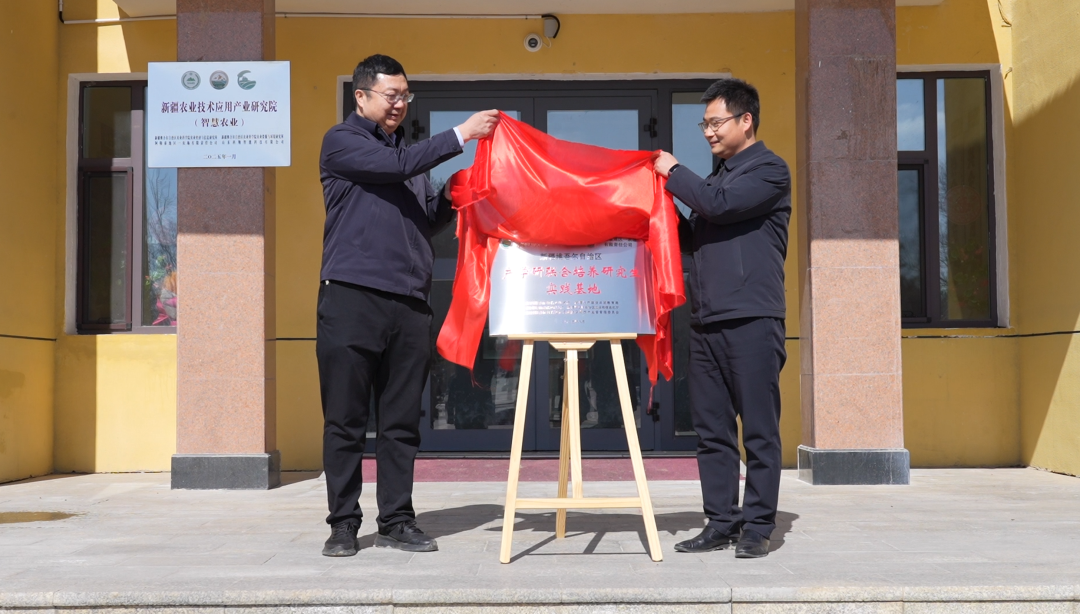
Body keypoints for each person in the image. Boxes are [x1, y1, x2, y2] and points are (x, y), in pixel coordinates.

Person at [317, 54, 499, 557]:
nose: (399, 104)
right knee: (346, 420)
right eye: (391, 95)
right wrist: (462, 134)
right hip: (352, 297)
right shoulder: (343, 142)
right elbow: (395, 167)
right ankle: (343, 524)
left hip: (409, 304)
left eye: (405, 96)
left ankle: (397, 519)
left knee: (401, 423)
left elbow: (424, 218)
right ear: (361, 97)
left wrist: (460, 191)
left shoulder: (408, 160)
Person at [653, 78, 791, 559]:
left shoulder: (769, 171)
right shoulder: (714, 179)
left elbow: (719, 207)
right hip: (707, 321)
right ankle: (721, 521)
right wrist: (660, 203)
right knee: (712, 432)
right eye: (705, 125)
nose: (709, 132)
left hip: (753, 318)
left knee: (758, 431)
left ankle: (757, 526)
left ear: (746, 120)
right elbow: (695, 236)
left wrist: (674, 171)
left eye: (716, 122)